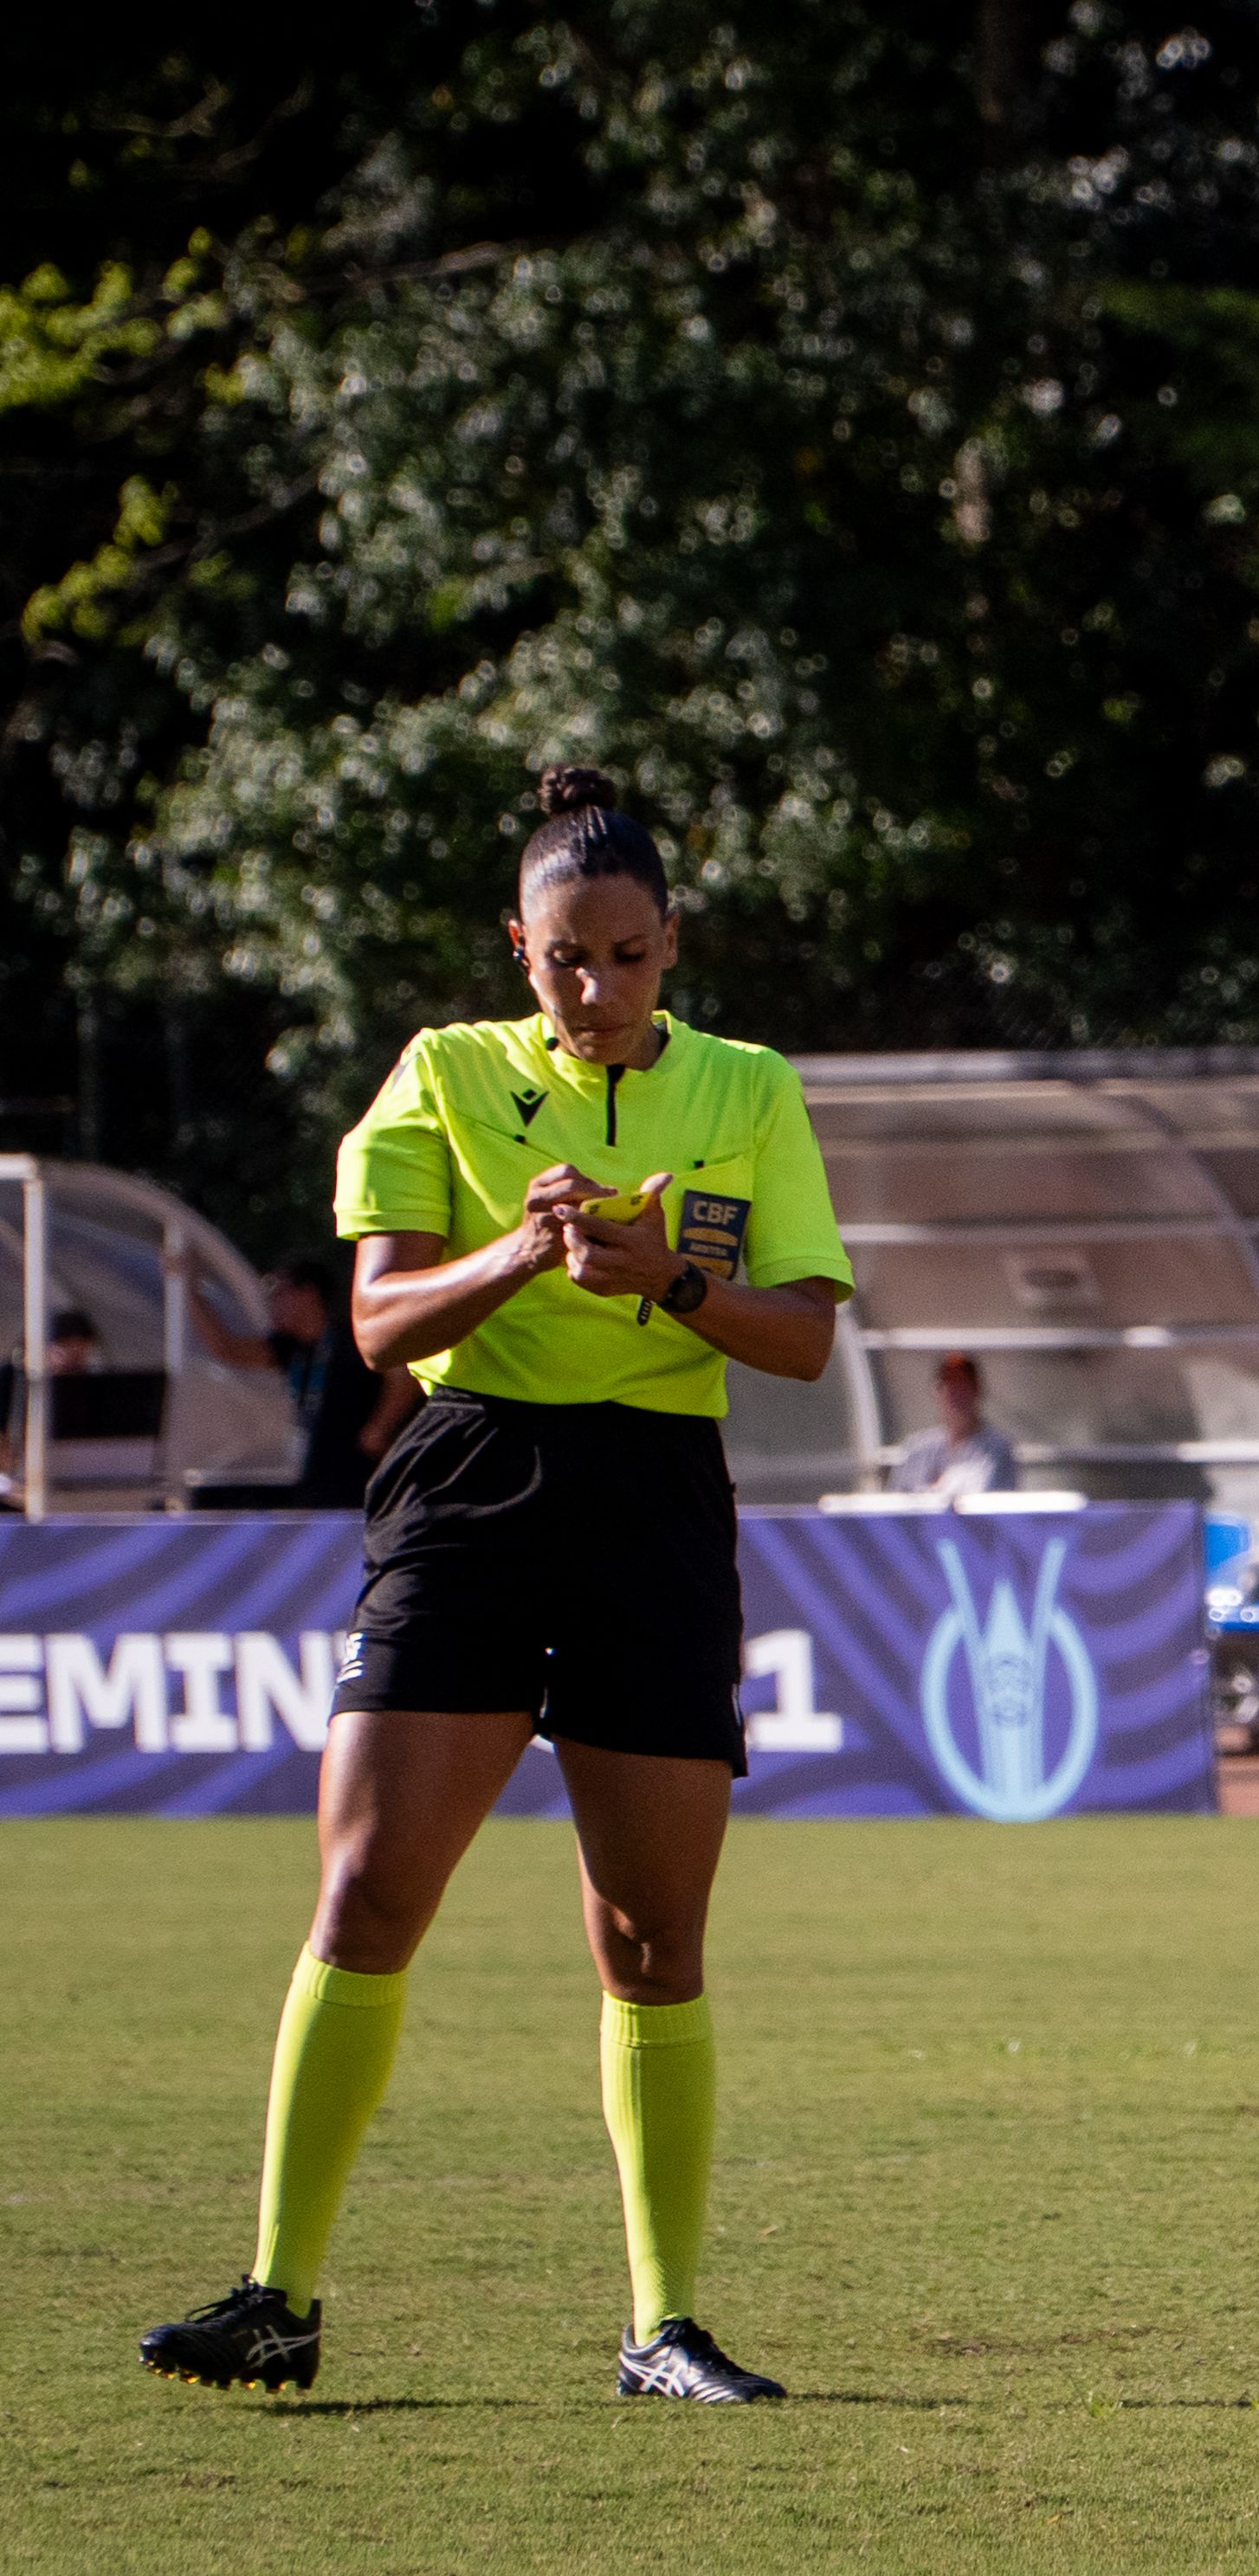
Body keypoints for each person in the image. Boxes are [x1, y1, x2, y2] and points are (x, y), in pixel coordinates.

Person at [132, 765, 852, 2407]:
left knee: (650, 1933)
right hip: (470, 1481)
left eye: (626, 956)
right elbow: (381, 1322)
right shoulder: (445, 1073)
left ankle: (664, 2327)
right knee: (368, 1889)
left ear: (673, 942)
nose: (596, 989)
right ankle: (279, 2296)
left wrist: (669, 1282)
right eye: (564, 960)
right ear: (518, 952)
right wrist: (519, 1253)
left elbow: (805, 1336)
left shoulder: (748, 1087)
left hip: (655, 1499)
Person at [191, 1252, 420, 1509]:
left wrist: (379, 1429)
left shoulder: (352, 1339)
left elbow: (404, 1374)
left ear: (308, 1293)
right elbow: (227, 1349)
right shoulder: (293, 1349)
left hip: (359, 1481)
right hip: (316, 1482)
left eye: (278, 1292)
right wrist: (190, 1289)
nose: (273, 1303)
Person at [887, 1350, 1018, 1497]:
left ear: (977, 1390)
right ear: (937, 1391)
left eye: (963, 1385)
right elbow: (895, 1500)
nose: (956, 1394)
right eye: (950, 1386)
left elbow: (993, 1501)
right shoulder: (918, 1448)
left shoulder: (997, 1450)